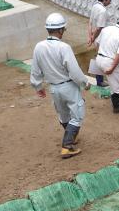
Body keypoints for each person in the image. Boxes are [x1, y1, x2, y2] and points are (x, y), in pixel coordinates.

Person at [31, 12, 91, 159]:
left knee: (63, 115)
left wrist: (38, 87)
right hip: (68, 86)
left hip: (54, 88)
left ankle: (72, 136)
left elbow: (35, 71)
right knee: (77, 115)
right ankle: (67, 146)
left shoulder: (38, 47)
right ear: (60, 30)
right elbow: (74, 71)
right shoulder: (64, 47)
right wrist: (85, 83)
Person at [95, 13, 119, 113]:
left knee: (113, 81)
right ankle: (117, 106)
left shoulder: (106, 29)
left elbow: (97, 43)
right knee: (116, 85)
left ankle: (117, 95)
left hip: (99, 58)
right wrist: (112, 67)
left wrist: (100, 54)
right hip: (109, 61)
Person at [88, 0, 114, 87]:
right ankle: (100, 81)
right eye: (110, 0)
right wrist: (93, 38)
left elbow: (90, 23)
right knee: (101, 58)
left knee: (98, 57)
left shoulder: (95, 6)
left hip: (96, 39)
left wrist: (89, 37)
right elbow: (99, 28)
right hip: (101, 39)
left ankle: (100, 81)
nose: (110, 2)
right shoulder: (103, 11)